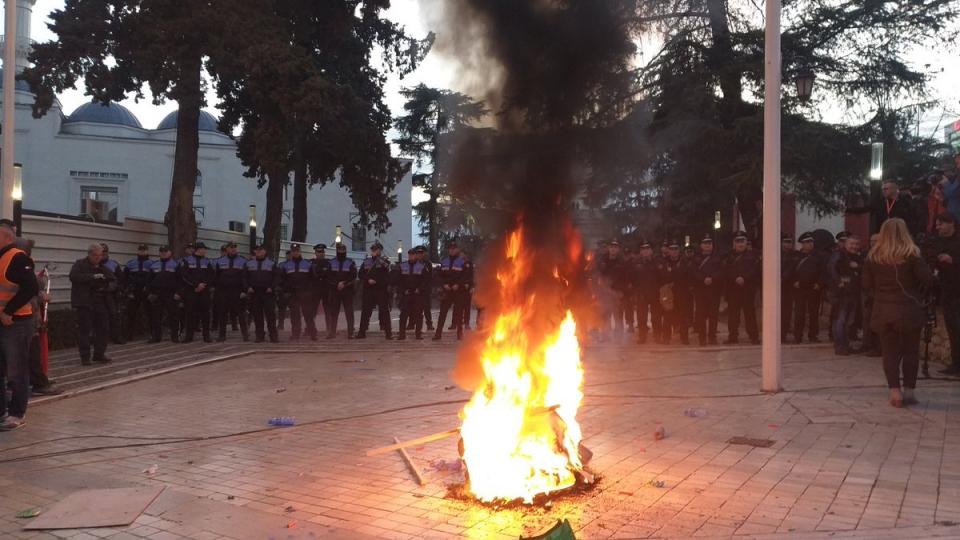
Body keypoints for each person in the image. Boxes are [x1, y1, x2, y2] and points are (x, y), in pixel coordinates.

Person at [863, 218, 935, 407]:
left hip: (883, 311)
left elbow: (866, 285)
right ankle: (910, 392)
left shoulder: (873, 257)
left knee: (890, 353)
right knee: (911, 351)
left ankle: (895, 393)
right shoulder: (912, 255)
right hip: (909, 310)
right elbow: (928, 280)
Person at [0, 222, 40, 430]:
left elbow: (31, 287)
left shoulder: (17, 258)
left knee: (16, 371)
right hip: (3, 322)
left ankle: (17, 413)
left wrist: (9, 311)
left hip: (15, 323)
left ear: (8, 238)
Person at [15, 238, 60, 396]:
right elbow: (29, 290)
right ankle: (38, 383)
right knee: (31, 352)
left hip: (25, 316)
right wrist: (41, 295)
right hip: (24, 317)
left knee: (29, 352)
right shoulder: (21, 266)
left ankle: (36, 380)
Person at [69, 243, 115, 365]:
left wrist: (106, 286)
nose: (98, 258)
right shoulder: (80, 264)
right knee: (85, 330)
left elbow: (114, 281)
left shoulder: (103, 267)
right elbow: (73, 277)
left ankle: (99, 354)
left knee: (103, 328)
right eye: (95, 255)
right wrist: (92, 277)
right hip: (84, 302)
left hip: (99, 302)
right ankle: (85, 357)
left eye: (100, 255)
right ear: (89, 254)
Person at [931, 212, 960, 375]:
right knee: (952, 328)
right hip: (946, 289)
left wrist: (953, 260)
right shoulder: (938, 241)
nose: (937, 227)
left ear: (951, 223)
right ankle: (956, 363)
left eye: (940, 224)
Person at [722, 231, 760, 344]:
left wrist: (744, 278)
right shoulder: (728, 256)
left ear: (746, 242)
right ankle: (733, 337)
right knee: (733, 315)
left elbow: (755, 270)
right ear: (734, 243)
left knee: (750, 314)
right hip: (733, 289)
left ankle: (754, 337)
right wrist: (735, 278)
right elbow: (726, 270)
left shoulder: (753, 255)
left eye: (742, 241)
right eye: (738, 241)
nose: (740, 244)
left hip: (747, 289)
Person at [832, 235, 863, 355]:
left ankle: (845, 345)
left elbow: (862, 269)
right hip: (842, 294)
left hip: (853, 293)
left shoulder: (856, 257)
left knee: (848, 322)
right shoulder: (838, 255)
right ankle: (840, 346)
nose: (854, 246)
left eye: (856, 244)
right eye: (851, 244)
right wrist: (843, 285)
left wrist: (857, 267)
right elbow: (833, 272)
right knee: (840, 320)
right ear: (845, 244)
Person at [434, 241, 471, 340]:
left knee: (459, 314)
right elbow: (439, 275)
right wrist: (444, 284)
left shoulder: (463, 262)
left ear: (457, 249)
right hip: (447, 291)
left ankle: (460, 334)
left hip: (458, 291)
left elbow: (466, 276)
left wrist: (458, 284)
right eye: (450, 248)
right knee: (442, 313)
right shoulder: (444, 261)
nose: (452, 250)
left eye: (454, 248)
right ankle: (438, 334)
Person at [792, 232, 825, 343]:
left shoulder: (819, 256)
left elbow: (823, 271)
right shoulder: (796, 256)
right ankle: (797, 336)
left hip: (813, 289)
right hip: (800, 288)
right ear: (802, 244)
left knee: (813, 314)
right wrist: (794, 281)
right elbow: (790, 270)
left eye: (811, 241)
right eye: (807, 242)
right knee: (799, 313)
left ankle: (813, 336)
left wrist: (819, 284)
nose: (809, 244)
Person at [355, 243, 393, 339]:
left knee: (384, 311)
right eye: (373, 250)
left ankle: (388, 333)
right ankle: (362, 332)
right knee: (366, 311)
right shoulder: (367, 262)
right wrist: (368, 280)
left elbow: (387, 275)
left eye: (377, 250)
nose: (375, 251)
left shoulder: (385, 261)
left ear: (380, 250)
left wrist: (378, 281)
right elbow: (360, 274)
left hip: (380, 290)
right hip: (369, 290)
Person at [213, 242, 249, 342]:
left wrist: (244, 290)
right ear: (227, 249)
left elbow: (245, 277)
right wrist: (218, 290)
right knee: (223, 314)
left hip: (237, 291)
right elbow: (216, 277)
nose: (233, 249)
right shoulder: (220, 261)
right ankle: (222, 335)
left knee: (241, 314)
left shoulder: (243, 261)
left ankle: (245, 335)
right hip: (224, 291)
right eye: (231, 247)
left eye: (234, 247)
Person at [179, 241, 214, 343]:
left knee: (205, 314)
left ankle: (206, 336)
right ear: (199, 249)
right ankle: (189, 336)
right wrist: (196, 285)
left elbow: (211, 275)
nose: (205, 251)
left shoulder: (207, 261)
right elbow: (184, 275)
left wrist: (204, 284)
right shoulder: (186, 260)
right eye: (204, 249)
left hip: (204, 291)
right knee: (190, 314)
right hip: (191, 291)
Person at [245, 244, 279, 343]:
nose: (259, 252)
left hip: (268, 293)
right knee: (257, 316)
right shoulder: (249, 264)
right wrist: (248, 287)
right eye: (257, 250)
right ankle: (259, 335)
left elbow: (276, 277)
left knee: (270, 316)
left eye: (261, 250)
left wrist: (271, 287)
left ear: (265, 251)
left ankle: (273, 336)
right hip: (255, 293)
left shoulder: (271, 263)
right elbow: (245, 277)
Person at [279, 244, 314, 340]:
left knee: (308, 314)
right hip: (293, 294)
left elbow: (312, 279)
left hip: (305, 293)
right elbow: (283, 280)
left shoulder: (307, 264)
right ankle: (295, 334)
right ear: (291, 252)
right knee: (295, 316)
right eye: (294, 251)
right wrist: (285, 291)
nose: (295, 252)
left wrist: (310, 292)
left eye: (297, 250)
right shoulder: (286, 266)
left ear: (300, 251)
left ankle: (312, 333)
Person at [693, 235, 722, 346]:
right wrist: (703, 279)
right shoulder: (696, 258)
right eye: (705, 243)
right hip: (701, 291)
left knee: (713, 315)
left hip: (714, 291)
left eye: (709, 243)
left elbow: (721, 271)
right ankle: (702, 338)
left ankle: (712, 337)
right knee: (701, 315)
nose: (707, 245)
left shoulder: (717, 257)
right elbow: (694, 272)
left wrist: (712, 278)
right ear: (701, 245)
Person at [656, 240, 687, 344]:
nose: (674, 251)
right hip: (668, 293)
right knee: (667, 315)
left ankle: (684, 337)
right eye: (671, 249)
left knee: (683, 316)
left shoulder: (684, 262)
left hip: (681, 292)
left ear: (679, 250)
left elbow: (688, 276)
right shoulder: (663, 262)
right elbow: (660, 277)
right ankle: (666, 337)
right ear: (668, 250)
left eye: (676, 249)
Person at [148, 246, 181, 343]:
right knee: (156, 316)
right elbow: (149, 280)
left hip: (170, 293)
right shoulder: (154, 265)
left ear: (170, 252)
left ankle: (175, 336)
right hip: (157, 293)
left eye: (165, 251)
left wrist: (178, 293)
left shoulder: (175, 265)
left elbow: (180, 280)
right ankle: (156, 337)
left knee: (173, 315)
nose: (163, 253)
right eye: (161, 251)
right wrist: (150, 293)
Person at [396, 248, 428, 340]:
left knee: (418, 314)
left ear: (416, 255)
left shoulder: (421, 266)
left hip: (417, 294)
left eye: (413, 255)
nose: (411, 256)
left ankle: (418, 334)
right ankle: (402, 334)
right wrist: (402, 291)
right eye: (410, 255)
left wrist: (420, 289)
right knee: (403, 315)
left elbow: (425, 280)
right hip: (406, 294)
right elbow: (399, 280)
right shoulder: (403, 266)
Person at [123, 244, 153, 341]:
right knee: (130, 314)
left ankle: (153, 334)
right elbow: (124, 279)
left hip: (146, 292)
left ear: (147, 251)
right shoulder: (130, 263)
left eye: (144, 250)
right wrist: (128, 291)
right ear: (138, 251)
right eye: (140, 250)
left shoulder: (152, 264)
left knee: (150, 314)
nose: (142, 252)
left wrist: (150, 290)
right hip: (134, 292)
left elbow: (154, 279)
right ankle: (128, 335)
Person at [327, 243, 357, 338]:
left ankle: (350, 332)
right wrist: (337, 284)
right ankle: (332, 332)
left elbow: (353, 275)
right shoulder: (331, 262)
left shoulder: (350, 262)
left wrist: (344, 283)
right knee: (333, 312)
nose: (341, 253)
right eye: (339, 252)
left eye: (343, 252)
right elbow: (328, 276)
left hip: (347, 290)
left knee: (349, 312)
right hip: (335, 290)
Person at [633, 240, 660, 344]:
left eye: (648, 249)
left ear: (651, 250)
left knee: (656, 316)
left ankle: (657, 335)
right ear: (640, 251)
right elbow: (632, 278)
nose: (646, 251)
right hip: (641, 294)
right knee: (641, 317)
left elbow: (663, 277)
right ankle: (642, 336)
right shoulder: (636, 263)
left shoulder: (657, 262)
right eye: (643, 249)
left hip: (655, 292)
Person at [99, 243, 125, 344]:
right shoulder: (93, 264)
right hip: (97, 295)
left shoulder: (114, 264)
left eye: (105, 252)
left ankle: (117, 337)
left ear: (108, 252)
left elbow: (121, 279)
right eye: (101, 252)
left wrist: (118, 289)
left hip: (111, 295)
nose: (103, 254)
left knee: (114, 316)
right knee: (99, 317)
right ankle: (101, 339)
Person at [780, 233, 799, 343]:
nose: (788, 244)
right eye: (786, 241)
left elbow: (797, 270)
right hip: (776, 286)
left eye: (790, 242)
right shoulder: (775, 253)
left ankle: (783, 335)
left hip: (789, 287)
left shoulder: (796, 255)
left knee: (786, 312)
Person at [310, 244, 331, 338]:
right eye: (318, 252)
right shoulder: (311, 263)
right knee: (312, 310)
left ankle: (330, 329)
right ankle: (310, 329)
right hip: (315, 289)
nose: (320, 254)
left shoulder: (328, 263)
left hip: (326, 289)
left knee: (328, 310)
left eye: (322, 252)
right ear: (315, 253)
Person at [417, 246, 435, 331]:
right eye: (418, 253)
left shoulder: (428, 264)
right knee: (415, 309)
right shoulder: (414, 263)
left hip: (425, 290)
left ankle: (429, 324)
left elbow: (430, 277)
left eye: (422, 253)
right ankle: (412, 324)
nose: (420, 255)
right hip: (416, 289)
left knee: (427, 308)